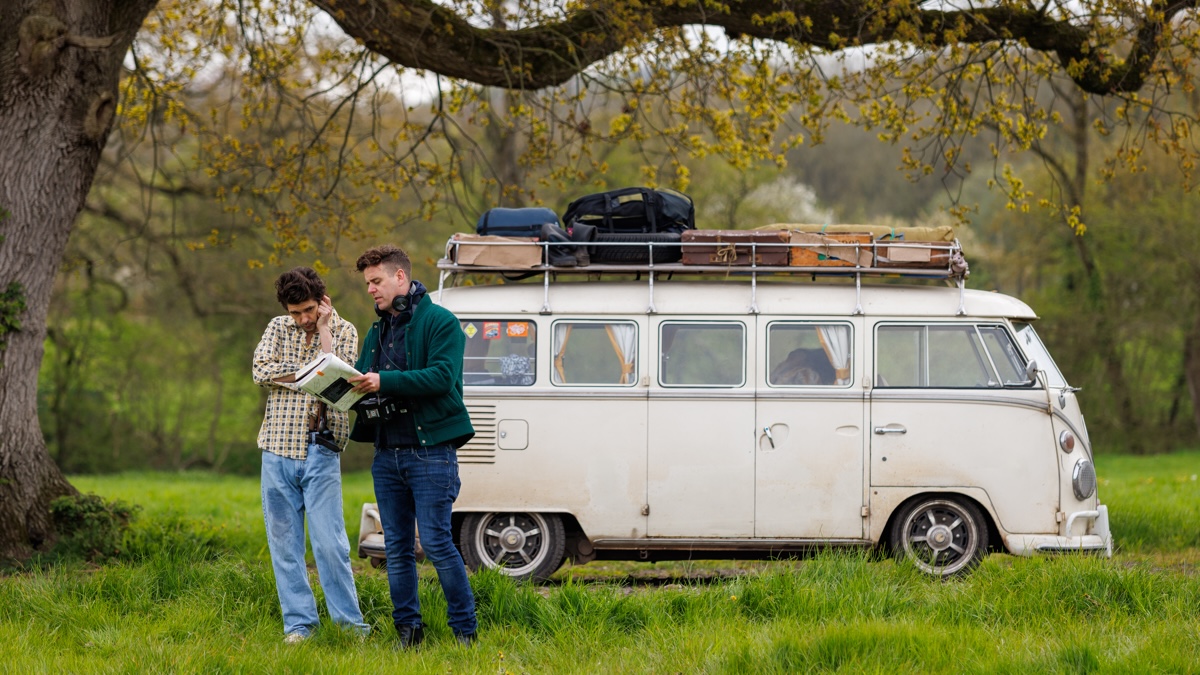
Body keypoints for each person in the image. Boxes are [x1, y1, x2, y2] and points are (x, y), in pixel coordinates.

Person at [347, 245, 477, 648]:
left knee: (437, 543)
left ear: (399, 277)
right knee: (397, 549)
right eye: (367, 283)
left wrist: (382, 381)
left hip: (431, 453)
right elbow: (365, 382)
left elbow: (440, 377)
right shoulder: (376, 330)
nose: (371, 290)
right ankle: (409, 634)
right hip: (387, 454)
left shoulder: (441, 322)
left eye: (376, 281)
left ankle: (465, 633)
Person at [251, 267, 370, 643]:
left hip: (322, 448)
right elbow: (260, 371)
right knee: (284, 544)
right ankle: (299, 626)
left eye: (307, 310)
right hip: (276, 447)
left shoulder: (345, 330)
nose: (302, 319)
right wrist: (310, 372)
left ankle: (350, 628)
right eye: (296, 313)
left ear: (322, 301)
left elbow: (339, 380)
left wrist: (323, 333)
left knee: (330, 544)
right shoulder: (276, 327)